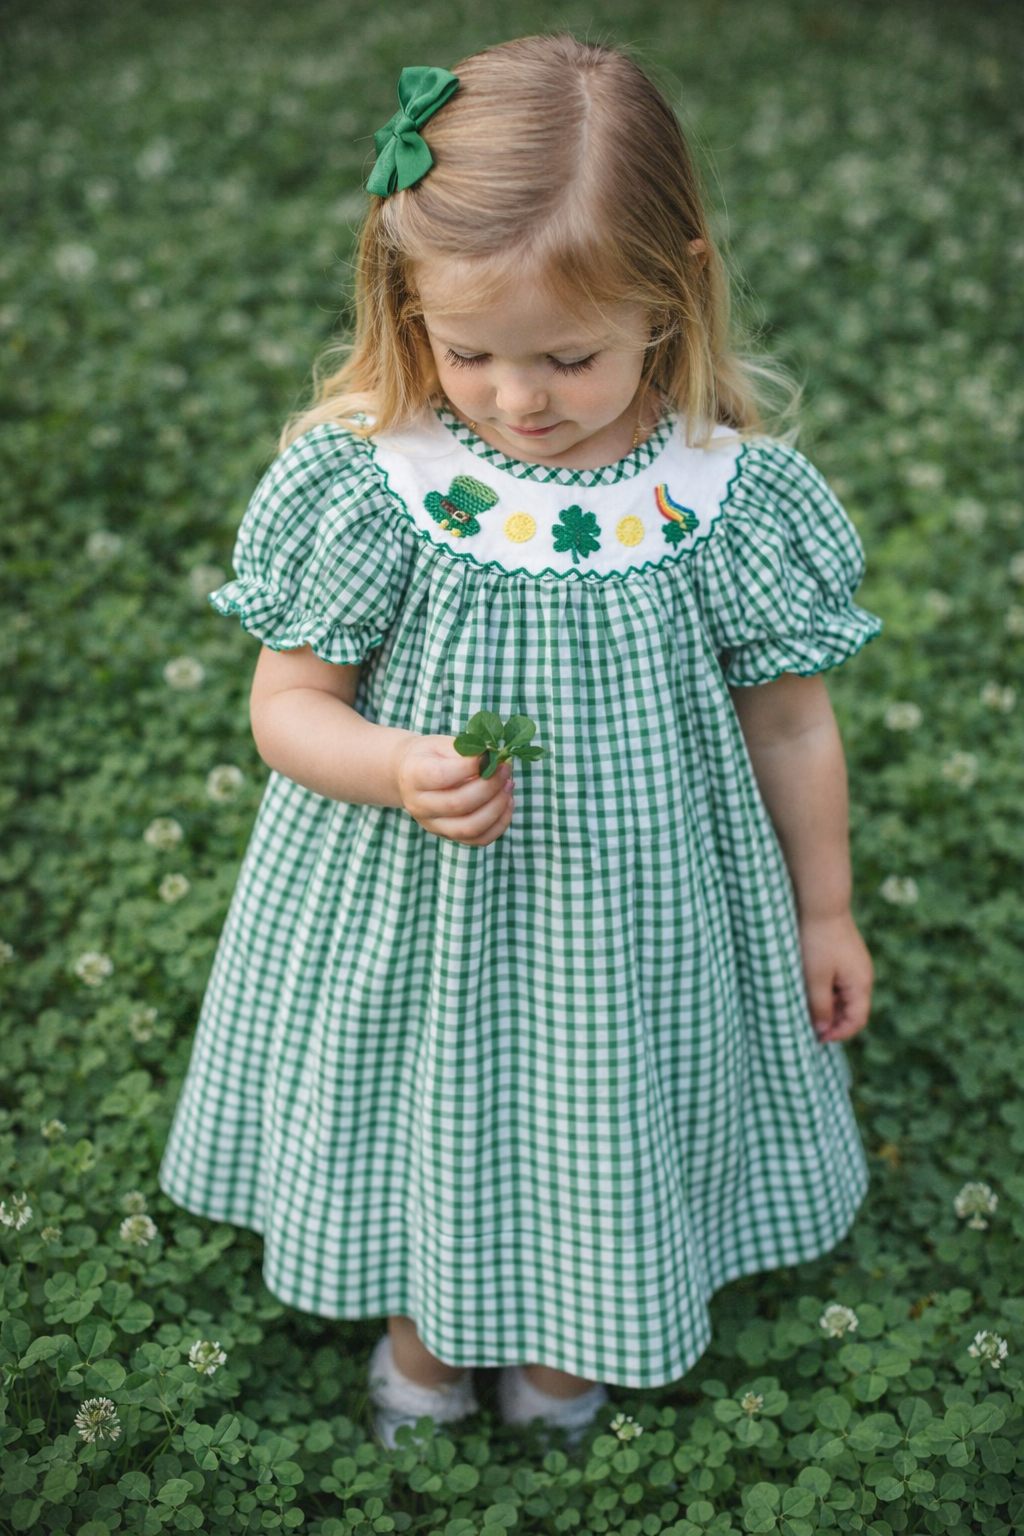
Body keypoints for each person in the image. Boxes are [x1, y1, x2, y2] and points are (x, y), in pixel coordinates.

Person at [158, 34, 883, 1451]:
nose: (518, 398)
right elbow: (285, 706)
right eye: (470, 348)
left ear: (672, 291)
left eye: (571, 355)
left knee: (608, 1106)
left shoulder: (719, 492)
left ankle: (569, 1342)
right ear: (407, 300)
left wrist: (827, 906)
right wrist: (394, 765)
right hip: (424, 905)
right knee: (437, 1103)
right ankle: (424, 1335)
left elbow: (791, 717)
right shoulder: (381, 476)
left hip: (645, 912)